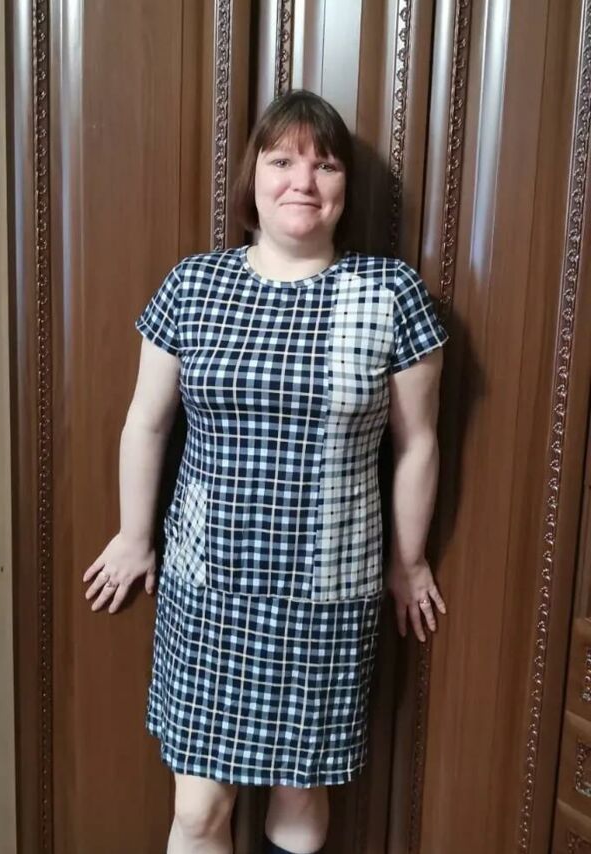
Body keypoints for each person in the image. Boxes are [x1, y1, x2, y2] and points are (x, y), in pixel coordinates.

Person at [83, 89, 449, 854]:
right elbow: (147, 422)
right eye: (282, 161)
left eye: (325, 165)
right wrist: (133, 534)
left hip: (327, 591)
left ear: (345, 186)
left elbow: (418, 443)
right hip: (208, 587)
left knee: (298, 795)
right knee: (197, 810)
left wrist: (408, 561)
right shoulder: (193, 285)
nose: (302, 181)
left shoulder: (390, 294)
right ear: (254, 176)